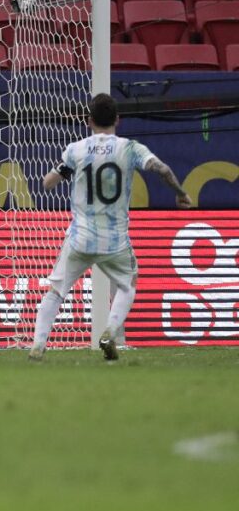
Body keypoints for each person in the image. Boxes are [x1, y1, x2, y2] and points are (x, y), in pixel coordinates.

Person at [29, 93, 193, 362]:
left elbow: (47, 183)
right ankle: (110, 331)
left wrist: (67, 170)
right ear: (118, 119)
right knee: (128, 285)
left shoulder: (76, 150)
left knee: (56, 291)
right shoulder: (130, 148)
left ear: (89, 120)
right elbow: (162, 169)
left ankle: (38, 345)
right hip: (114, 242)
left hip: (80, 239)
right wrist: (180, 193)